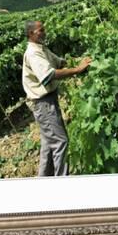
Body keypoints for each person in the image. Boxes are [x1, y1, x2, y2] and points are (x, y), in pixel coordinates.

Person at [22, 20, 91, 176]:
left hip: (48, 101)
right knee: (61, 142)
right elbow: (49, 76)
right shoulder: (33, 53)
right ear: (31, 34)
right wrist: (78, 69)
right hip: (43, 103)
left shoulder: (41, 49)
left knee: (48, 143)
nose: (44, 32)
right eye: (41, 30)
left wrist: (78, 61)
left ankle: (45, 180)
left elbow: (60, 63)